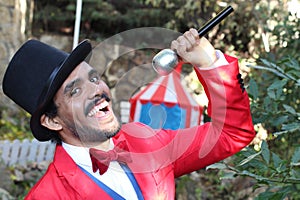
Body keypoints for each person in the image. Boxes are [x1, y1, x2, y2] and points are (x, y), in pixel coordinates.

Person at [2, 28, 255, 199]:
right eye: (75, 90)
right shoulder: (47, 195)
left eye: (94, 78)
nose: (97, 91)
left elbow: (231, 133)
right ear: (52, 120)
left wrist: (209, 64)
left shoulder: (148, 141)